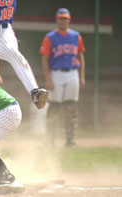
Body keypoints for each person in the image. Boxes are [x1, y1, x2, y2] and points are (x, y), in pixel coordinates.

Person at [39, 8, 85, 147]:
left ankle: (70, 140)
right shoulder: (50, 37)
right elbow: (45, 59)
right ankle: (50, 140)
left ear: (69, 19)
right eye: (61, 18)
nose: (63, 21)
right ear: (57, 19)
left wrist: (81, 76)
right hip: (56, 73)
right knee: (54, 107)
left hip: (72, 73)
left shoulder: (76, 36)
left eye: (65, 18)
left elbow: (80, 56)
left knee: (71, 107)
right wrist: (48, 79)